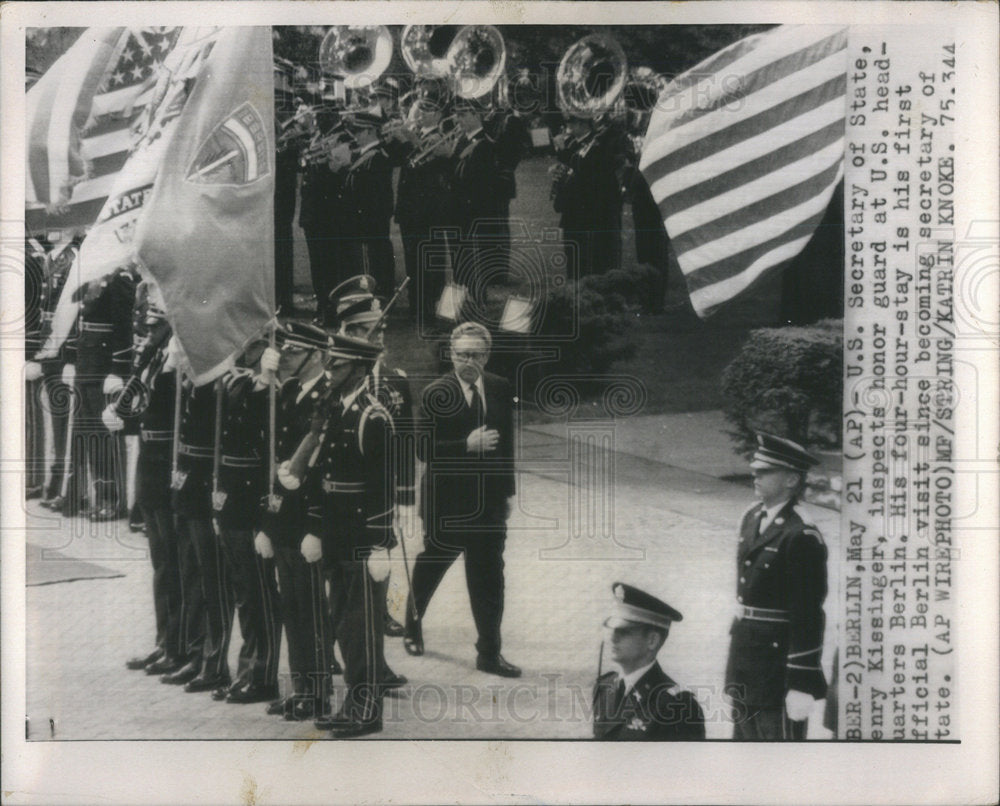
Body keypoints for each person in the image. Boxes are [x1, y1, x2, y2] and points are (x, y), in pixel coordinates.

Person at [404, 321, 521, 678]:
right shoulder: (435, 393)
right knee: (431, 568)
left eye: (475, 354)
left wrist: (507, 493)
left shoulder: (499, 388)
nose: (468, 361)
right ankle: (411, 624)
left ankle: (489, 652)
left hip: (489, 506)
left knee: (488, 579)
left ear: (486, 356)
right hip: (447, 504)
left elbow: (506, 446)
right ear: (451, 355)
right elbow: (422, 449)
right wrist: (465, 446)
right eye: (461, 354)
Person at [296, 332, 395, 738]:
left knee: (362, 627)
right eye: (329, 364)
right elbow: (320, 474)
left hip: (360, 533)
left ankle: (366, 708)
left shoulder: (373, 417)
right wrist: (316, 527)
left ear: (358, 368)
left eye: (336, 366)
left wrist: (379, 543)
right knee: (341, 621)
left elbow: (383, 484)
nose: (329, 371)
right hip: (336, 530)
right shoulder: (336, 409)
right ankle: (353, 701)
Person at [326, 275, 418, 644]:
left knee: (385, 549)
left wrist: (407, 496)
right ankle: (341, 627)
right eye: (368, 329)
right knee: (343, 567)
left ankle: (383, 612)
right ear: (349, 331)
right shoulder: (335, 379)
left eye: (379, 329)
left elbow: (405, 440)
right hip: (347, 490)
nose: (378, 336)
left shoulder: (396, 381)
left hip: (381, 488)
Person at [255, 323, 339, 722]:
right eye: (285, 350)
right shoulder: (287, 392)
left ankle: (319, 691)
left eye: (295, 351)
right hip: (284, 519)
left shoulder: (329, 398)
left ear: (318, 356)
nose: (286, 356)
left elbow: (326, 471)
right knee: (291, 606)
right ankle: (301, 687)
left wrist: (317, 529)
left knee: (312, 610)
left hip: (308, 520)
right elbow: (267, 457)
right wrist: (267, 525)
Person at [724, 433, 828, 740]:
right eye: (757, 468)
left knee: (777, 757)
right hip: (745, 659)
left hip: (777, 669)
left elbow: (808, 613)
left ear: (791, 480)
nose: (756, 475)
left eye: (766, 471)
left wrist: (801, 682)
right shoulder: (751, 517)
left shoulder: (801, 535)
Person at [593, 583, 705, 740]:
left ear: (652, 641)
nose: (612, 638)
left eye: (623, 632)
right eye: (612, 629)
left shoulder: (677, 706)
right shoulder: (604, 687)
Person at [392, 80, 455, 327]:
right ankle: (416, 307)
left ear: (438, 114)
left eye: (428, 109)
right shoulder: (415, 135)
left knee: (431, 262)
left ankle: (431, 309)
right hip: (410, 211)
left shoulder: (440, 139)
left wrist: (409, 140)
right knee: (412, 263)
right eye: (421, 107)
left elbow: (432, 168)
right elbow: (401, 162)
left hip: (429, 212)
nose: (421, 113)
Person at [550, 112, 624, 277]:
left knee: (587, 266)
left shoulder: (597, 143)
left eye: (572, 122)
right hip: (574, 213)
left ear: (583, 124)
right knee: (574, 264)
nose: (568, 126)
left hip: (589, 216)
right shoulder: (577, 143)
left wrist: (562, 152)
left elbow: (586, 167)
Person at [450, 95, 503, 318]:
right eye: (457, 114)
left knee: (476, 263)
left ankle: (477, 305)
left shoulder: (486, 144)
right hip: (458, 212)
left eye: (463, 114)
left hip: (475, 214)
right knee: (460, 263)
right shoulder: (461, 141)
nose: (457, 119)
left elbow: (482, 185)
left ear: (476, 115)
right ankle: (462, 304)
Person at [341, 109, 396, 298]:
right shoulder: (365, 155)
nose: (355, 135)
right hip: (360, 221)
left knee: (370, 266)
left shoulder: (377, 157)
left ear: (370, 131)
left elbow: (376, 196)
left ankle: (375, 301)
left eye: (358, 131)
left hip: (368, 222)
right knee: (365, 265)